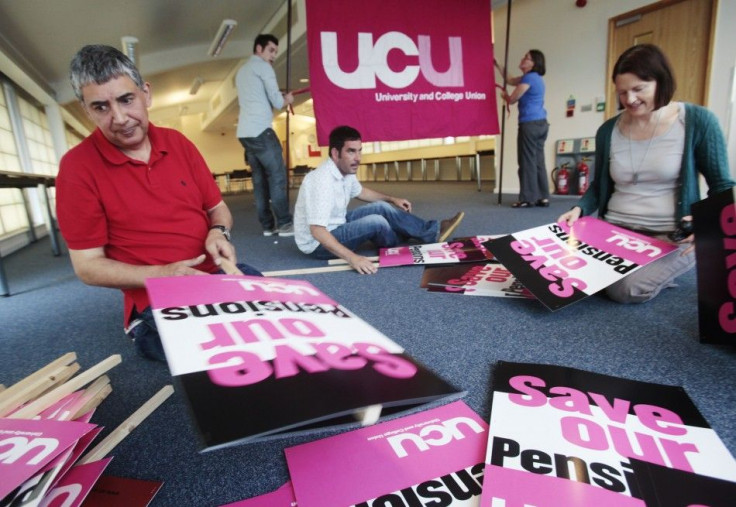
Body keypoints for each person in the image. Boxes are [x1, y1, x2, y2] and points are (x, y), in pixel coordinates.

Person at [56, 44, 261, 362]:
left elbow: (216, 208)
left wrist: (219, 231)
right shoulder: (76, 168)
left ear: (146, 94)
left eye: (126, 100)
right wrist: (163, 274)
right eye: (101, 107)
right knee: (226, 351)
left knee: (278, 320)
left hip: (214, 275)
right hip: (156, 297)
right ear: (87, 110)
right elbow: (87, 267)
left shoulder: (178, 143)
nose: (120, 118)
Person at [558, 43, 734, 304]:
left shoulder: (698, 121)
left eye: (639, 89)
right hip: (613, 230)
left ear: (660, 82)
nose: (629, 100)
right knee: (555, 269)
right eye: (622, 92)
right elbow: (599, 184)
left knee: (624, 289)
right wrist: (580, 209)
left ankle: (668, 265)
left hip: (668, 234)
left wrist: (709, 227)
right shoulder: (608, 130)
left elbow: (721, 186)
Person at [293, 125, 465, 274]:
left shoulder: (344, 171)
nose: (358, 158)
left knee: (382, 207)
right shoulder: (322, 181)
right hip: (317, 244)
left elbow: (361, 192)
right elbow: (317, 231)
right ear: (335, 153)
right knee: (377, 222)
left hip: (337, 222)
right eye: (351, 151)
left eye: (359, 150)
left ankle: (432, 231)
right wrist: (353, 258)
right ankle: (395, 238)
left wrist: (392, 199)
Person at [236, 34, 295, 237]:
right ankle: (286, 224)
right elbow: (277, 101)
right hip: (261, 131)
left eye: (275, 52)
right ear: (259, 49)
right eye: (271, 50)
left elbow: (258, 97)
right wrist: (286, 98)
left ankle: (268, 226)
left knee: (260, 181)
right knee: (277, 178)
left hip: (245, 133)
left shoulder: (242, 71)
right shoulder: (262, 67)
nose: (273, 56)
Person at [495, 50, 550, 208]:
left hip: (530, 124)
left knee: (526, 162)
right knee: (538, 161)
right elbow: (511, 80)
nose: (522, 59)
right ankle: (542, 196)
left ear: (533, 63)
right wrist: (498, 65)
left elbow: (513, 99)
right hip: (541, 123)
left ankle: (527, 198)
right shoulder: (535, 78)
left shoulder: (529, 78)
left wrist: (505, 96)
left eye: (526, 58)